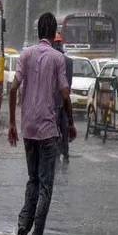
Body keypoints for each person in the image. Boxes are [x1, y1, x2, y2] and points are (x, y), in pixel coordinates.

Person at [8, 13, 77, 235]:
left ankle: (22, 229)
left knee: (32, 181)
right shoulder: (58, 59)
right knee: (46, 187)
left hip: (27, 129)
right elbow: (65, 95)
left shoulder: (25, 55)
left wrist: (12, 124)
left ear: (38, 30)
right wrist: (70, 124)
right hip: (48, 131)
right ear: (53, 33)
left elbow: (13, 88)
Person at [53, 33, 73, 162]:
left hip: (51, 103)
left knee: (53, 131)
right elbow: (68, 84)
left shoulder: (49, 60)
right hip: (64, 100)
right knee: (64, 128)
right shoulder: (69, 62)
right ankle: (65, 154)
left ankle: (55, 154)